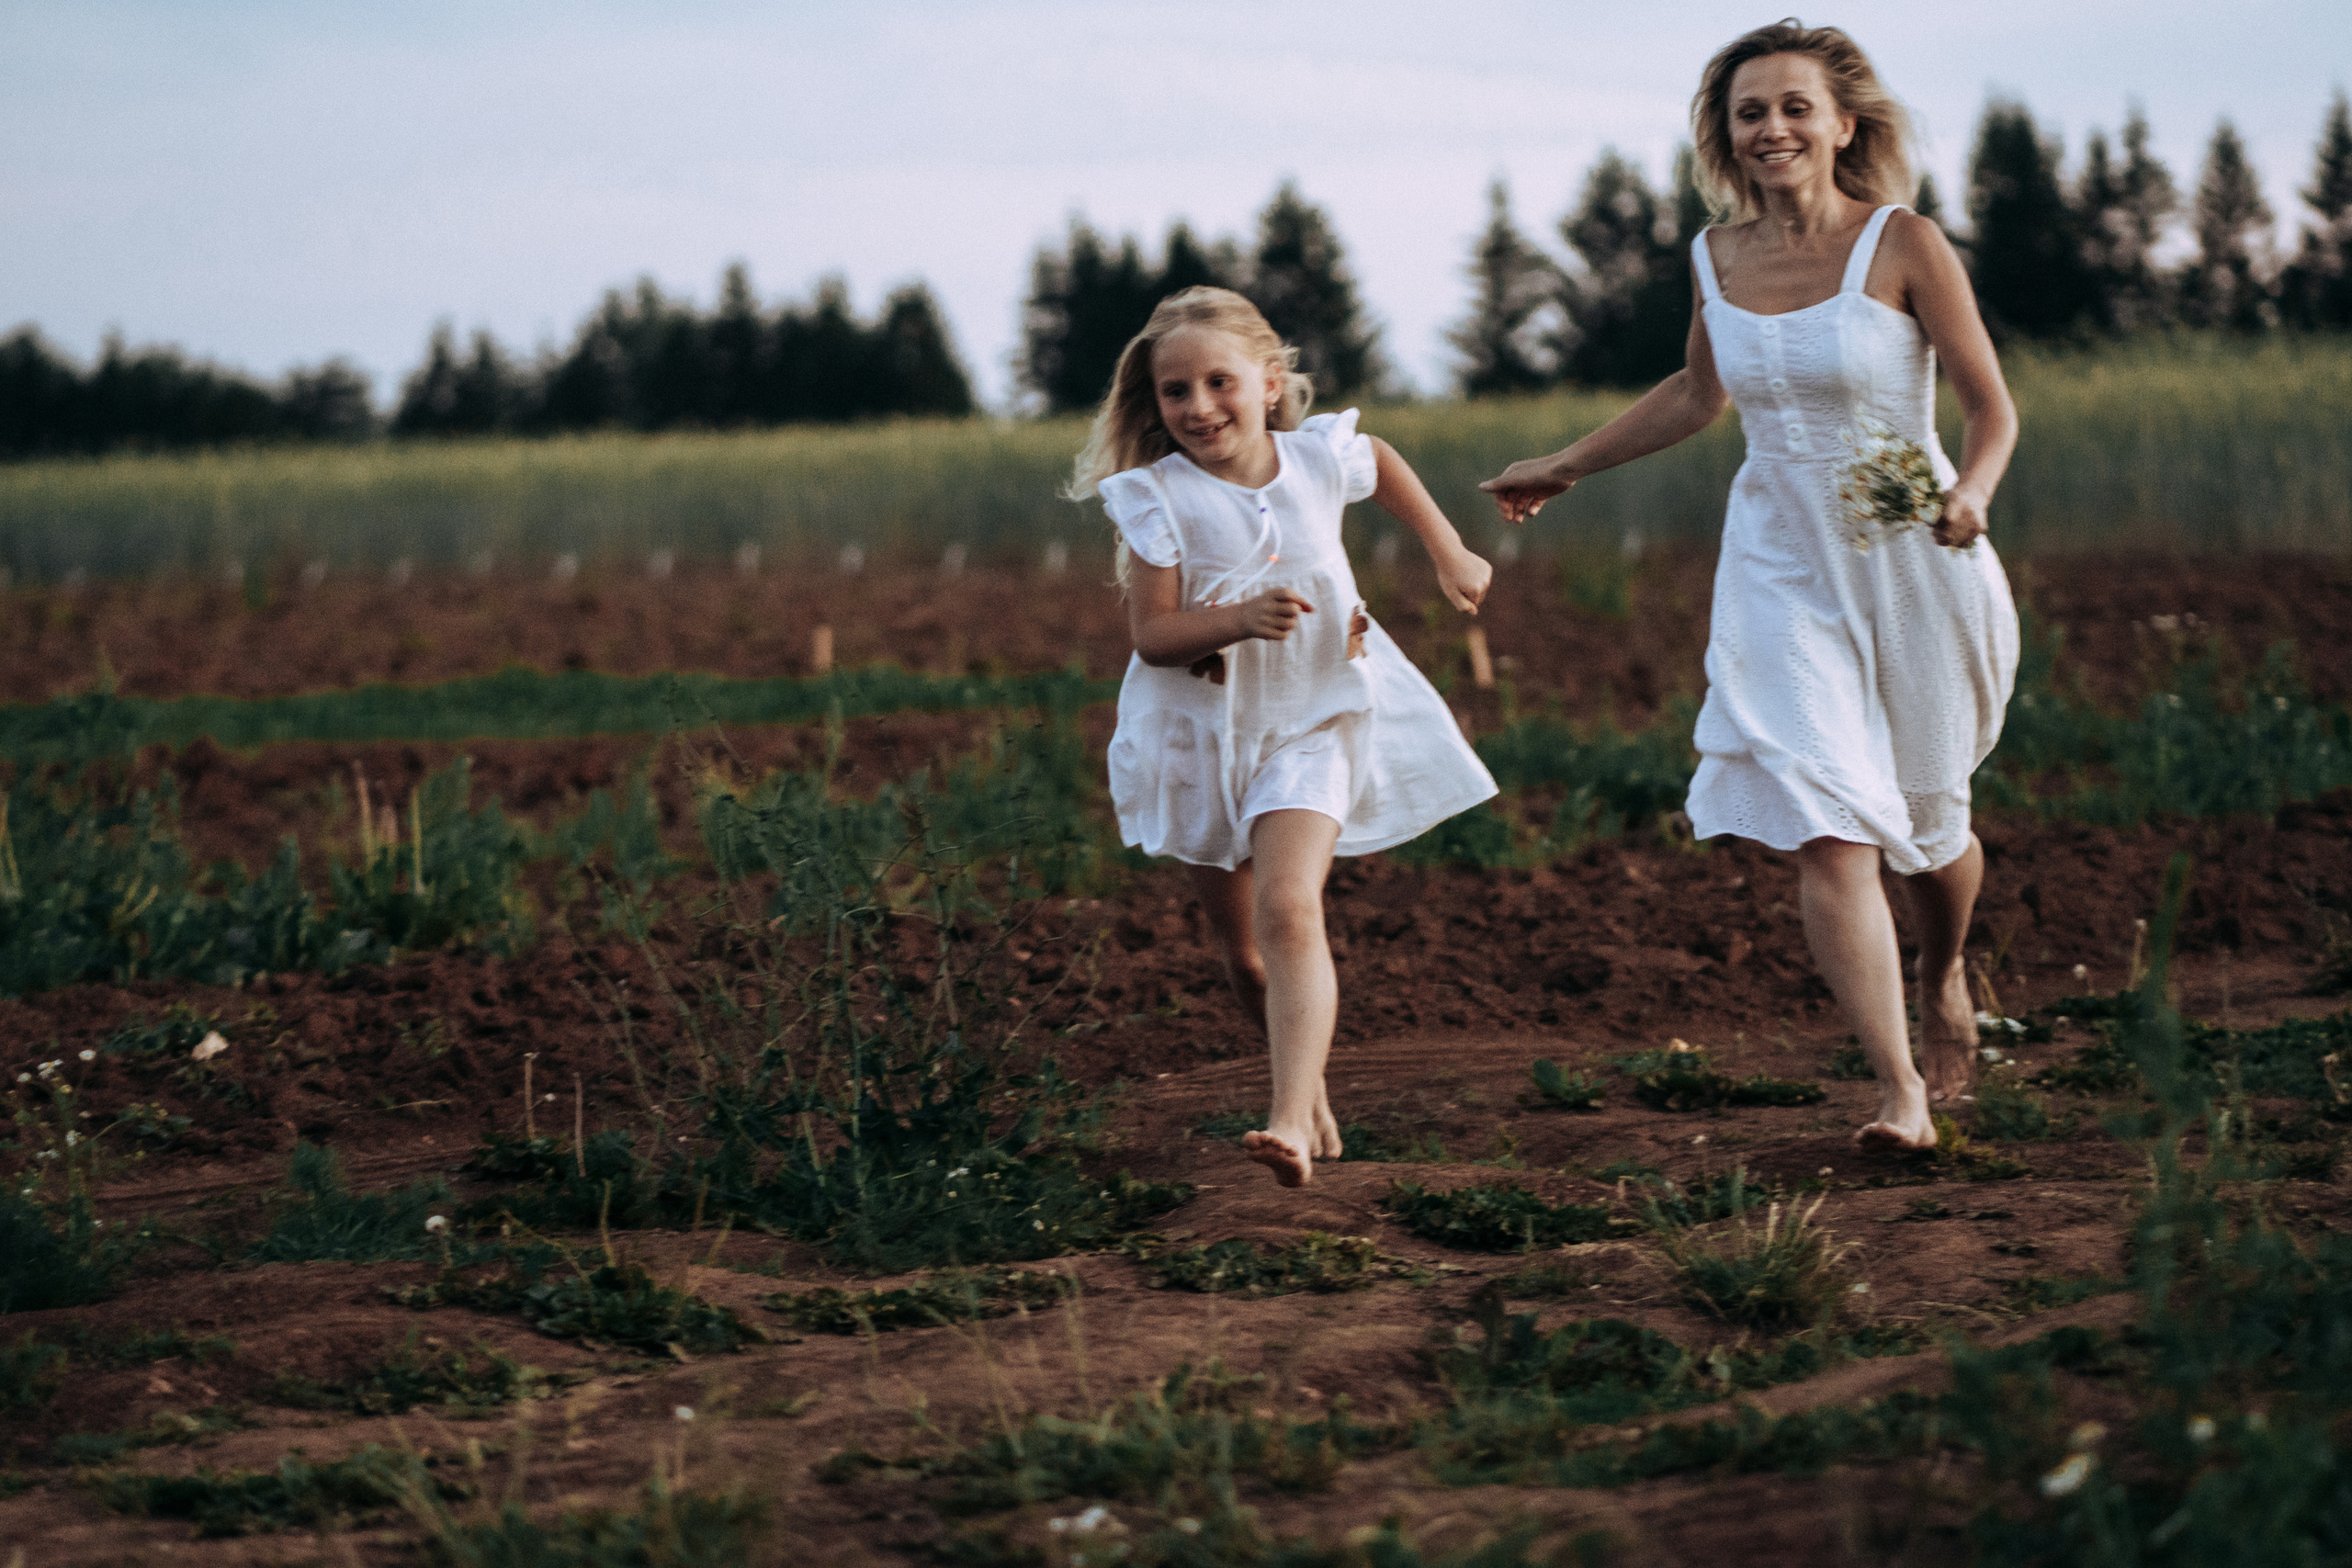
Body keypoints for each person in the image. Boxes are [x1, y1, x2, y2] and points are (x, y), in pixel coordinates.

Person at [1482, 20, 2020, 1152]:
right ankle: (1897, 1094)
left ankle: (1944, 971)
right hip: (1778, 556)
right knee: (1826, 819)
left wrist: (1969, 491)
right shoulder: (1713, 257)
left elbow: (1989, 405)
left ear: (1841, 125)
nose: (1770, 128)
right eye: (1747, 113)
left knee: (1930, 823)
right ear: (1723, 137)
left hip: (1912, 547)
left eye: (1791, 108)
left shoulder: (1903, 240)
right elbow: (1696, 394)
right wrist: (1566, 463)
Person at [1068, 287, 1498, 1188]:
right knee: (1244, 953)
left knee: (1291, 907)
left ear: (1269, 385)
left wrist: (1449, 550)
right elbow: (1151, 637)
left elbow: (1378, 460)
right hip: (1201, 738)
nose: (1197, 407)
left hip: (1314, 718)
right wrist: (1232, 620)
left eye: (1217, 382)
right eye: (1173, 392)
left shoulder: (1315, 463)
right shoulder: (1156, 500)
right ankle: (1305, 1092)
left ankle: (1287, 1126)